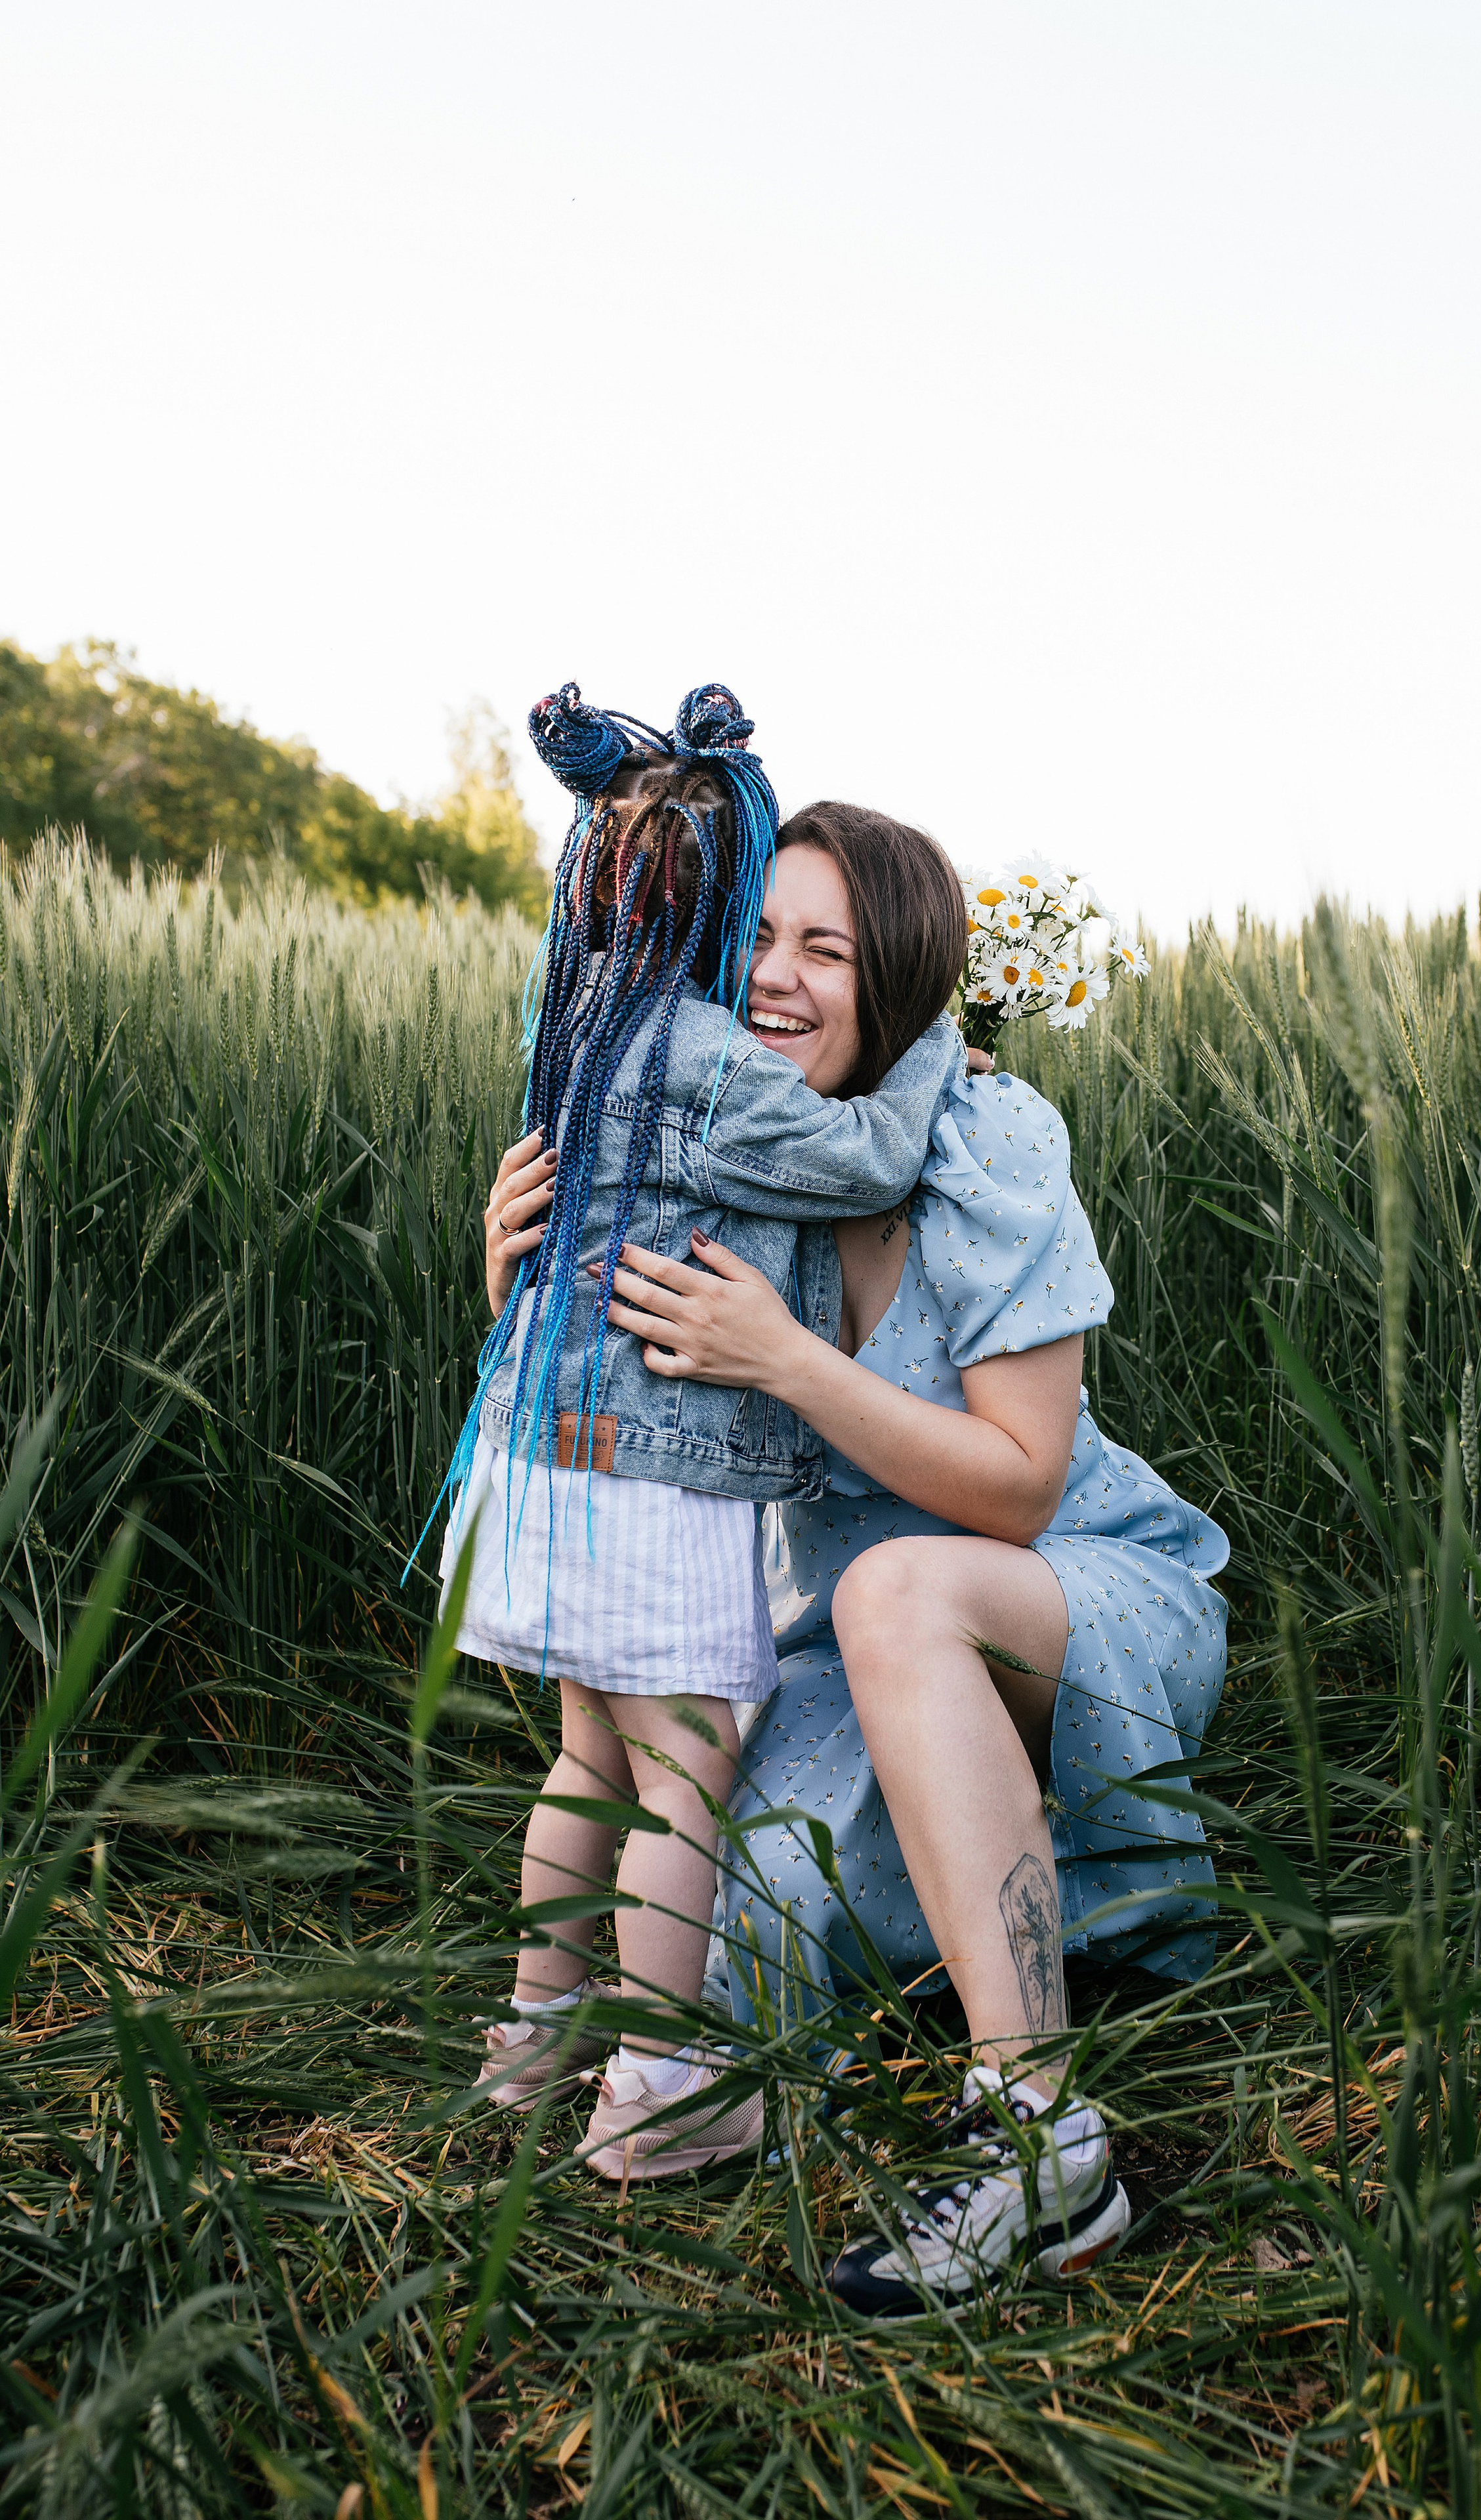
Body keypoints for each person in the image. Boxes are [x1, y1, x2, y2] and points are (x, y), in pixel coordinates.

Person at [594, 797, 1230, 2312]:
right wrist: (518, 1283)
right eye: (751, 935)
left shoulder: (983, 1136)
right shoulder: (713, 1157)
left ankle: (1038, 2141)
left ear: (896, 980)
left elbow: (1013, 1490)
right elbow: (610, 1431)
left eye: (824, 946)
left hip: (1076, 1594)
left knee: (899, 1584)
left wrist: (788, 1362)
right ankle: (1014, 1910)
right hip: (861, 1647)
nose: (772, 977)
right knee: (730, 1956)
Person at [436, 687, 962, 2180]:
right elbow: (871, 1146)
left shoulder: (583, 1023)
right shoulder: (710, 1061)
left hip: (538, 1459)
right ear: (722, 897)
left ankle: (530, 2038)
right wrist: (940, 1047)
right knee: (692, 1766)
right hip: (647, 1473)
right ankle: (658, 2080)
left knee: (585, 1761)